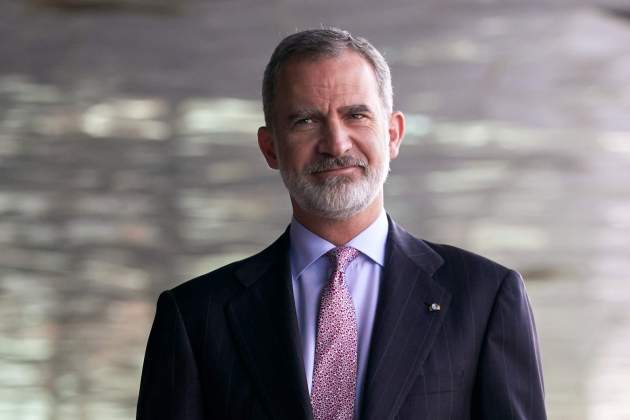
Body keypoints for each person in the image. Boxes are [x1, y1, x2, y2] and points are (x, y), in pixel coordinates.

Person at [136, 28, 547, 420]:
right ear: (270, 147)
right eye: (305, 120)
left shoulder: (485, 298)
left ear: (393, 134)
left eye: (356, 115)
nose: (335, 144)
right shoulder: (195, 316)